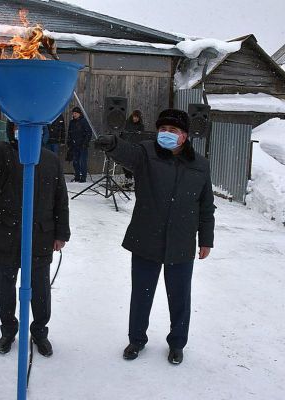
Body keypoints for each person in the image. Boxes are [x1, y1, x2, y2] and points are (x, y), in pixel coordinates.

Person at [95, 108, 215, 365]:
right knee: (142, 293)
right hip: (146, 237)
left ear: (184, 136)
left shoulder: (200, 165)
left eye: (172, 131)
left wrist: (206, 240)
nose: (166, 134)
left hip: (181, 242)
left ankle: (177, 343)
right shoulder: (146, 153)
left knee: (180, 297)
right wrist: (112, 144)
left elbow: (206, 206)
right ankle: (136, 340)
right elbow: (127, 153)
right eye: (162, 129)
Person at [0, 121, 70, 357]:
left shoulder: (51, 159)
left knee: (40, 287)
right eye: (18, 126)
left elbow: (61, 199)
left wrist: (61, 233)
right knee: (5, 286)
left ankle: (39, 332)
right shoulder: (4, 153)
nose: (23, 131)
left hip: (40, 235)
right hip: (7, 234)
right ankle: (8, 331)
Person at [66, 106, 93, 182]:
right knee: (75, 162)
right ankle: (77, 176)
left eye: (75, 113)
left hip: (82, 145)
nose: (74, 115)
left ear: (79, 114)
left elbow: (89, 133)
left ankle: (83, 177)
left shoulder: (83, 121)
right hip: (74, 146)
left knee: (82, 162)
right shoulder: (72, 122)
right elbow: (69, 133)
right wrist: (69, 142)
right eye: (73, 113)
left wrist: (85, 143)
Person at [122, 110, 145, 186]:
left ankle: (133, 179)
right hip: (127, 145)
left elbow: (142, 136)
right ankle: (128, 177)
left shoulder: (141, 126)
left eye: (137, 117)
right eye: (134, 117)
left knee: (134, 164)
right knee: (124, 163)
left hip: (135, 147)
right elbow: (123, 134)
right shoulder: (127, 123)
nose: (135, 119)